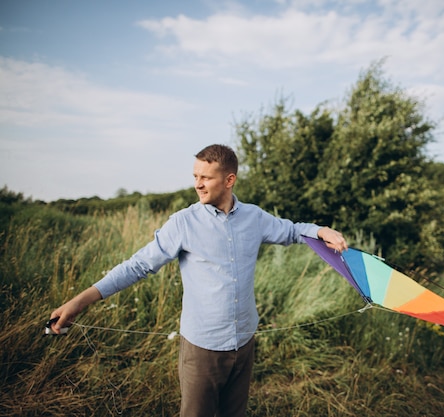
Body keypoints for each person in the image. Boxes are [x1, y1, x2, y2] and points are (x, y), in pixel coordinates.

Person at [50, 144, 348, 417]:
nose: (197, 184)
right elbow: (137, 266)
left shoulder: (254, 218)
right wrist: (79, 302)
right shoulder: (183, 223)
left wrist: (321, 230)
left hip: (244, 344)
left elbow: (293, 231)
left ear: (229, 180)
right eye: (195, 176)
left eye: (206, 177)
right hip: (202, 350)